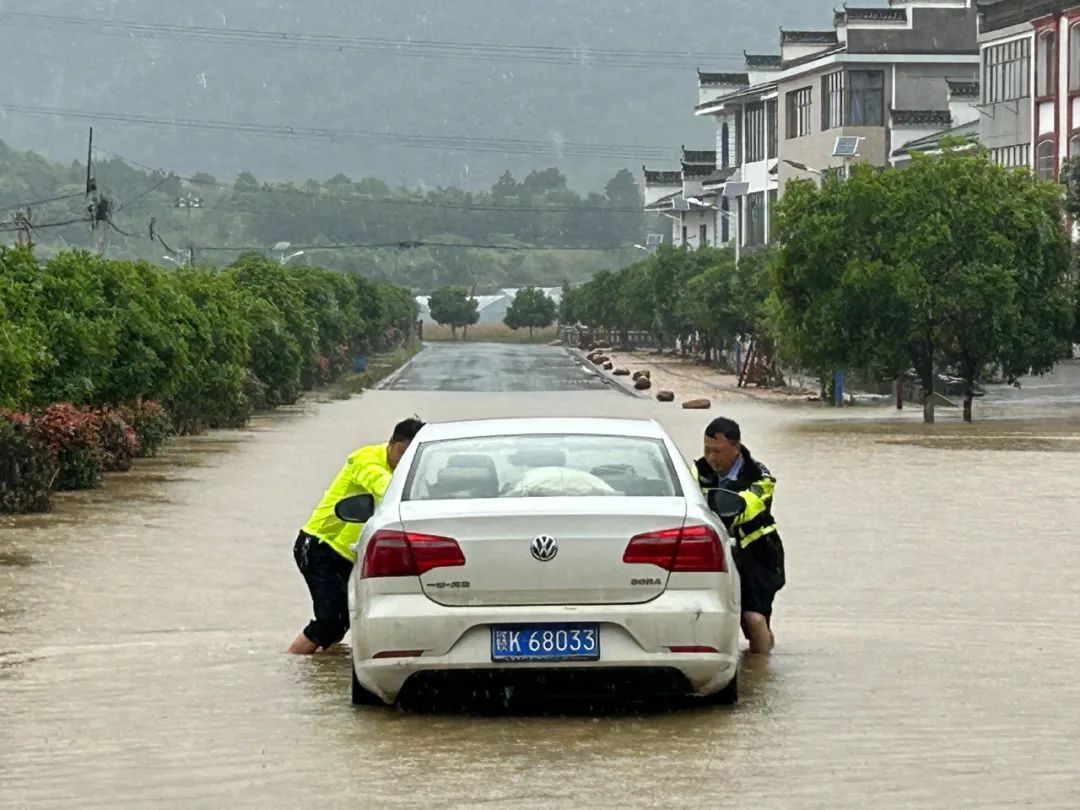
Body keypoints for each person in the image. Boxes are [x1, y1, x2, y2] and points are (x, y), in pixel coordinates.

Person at [287, 417, 426, 655]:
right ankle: (292, 664)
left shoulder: (415, 472)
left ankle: (322, 668)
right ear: (392, 443)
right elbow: (383, 486)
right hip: (318, 545)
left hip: (349, 555)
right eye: (402, 453)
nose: (404, 461)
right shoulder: (366, 459)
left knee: (344, 621)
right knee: (330, 620)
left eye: (411, 457)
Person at [693, 417, 785, 655]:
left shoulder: (759, 476)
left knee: (754, 618)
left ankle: (761, 674)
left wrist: (711, 505)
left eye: (718, 451)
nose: (712, 457)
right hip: (719, 552)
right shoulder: (698, 471)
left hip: (759, 554)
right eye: (707, 450)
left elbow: (744, 508)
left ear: (736, 447)